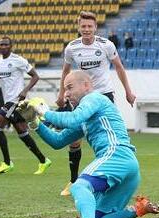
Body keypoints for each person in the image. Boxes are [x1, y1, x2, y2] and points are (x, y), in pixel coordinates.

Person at [20, 71, 159, 218]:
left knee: (79, 187)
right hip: (128, 167)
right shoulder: (84, 118)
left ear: (86, 85)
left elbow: (72, 119)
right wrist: (34, 122)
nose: (66, 94)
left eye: (69, 87)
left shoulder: (94, 98)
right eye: (64, 90)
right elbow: (57, 141)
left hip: (116, 154)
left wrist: (45, 112)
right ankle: (138, 209)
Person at [56, 11, 136, 196]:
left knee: (109, 137)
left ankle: (113, 176)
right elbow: (65, 71)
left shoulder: (106, 45)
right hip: (82, 97)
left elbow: (119, 67)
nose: (86, 29)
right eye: (83, 26)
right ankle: (74, 180)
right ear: (79, 28)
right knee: (75, 140)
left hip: (103, 95)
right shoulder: (72, 48)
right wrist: (62, 94)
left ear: (95, 28)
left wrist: (128, 92)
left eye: (89, 26)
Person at [0, 36, 51, 174]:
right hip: (8, 101)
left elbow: (35, 76)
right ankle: (43, 160)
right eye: (1, 44)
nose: (3, 46)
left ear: (11, 46)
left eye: (6, 44)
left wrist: (25, 90)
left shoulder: (18, 60)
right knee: (23, 134)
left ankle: (7, 162)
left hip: (17, 101)